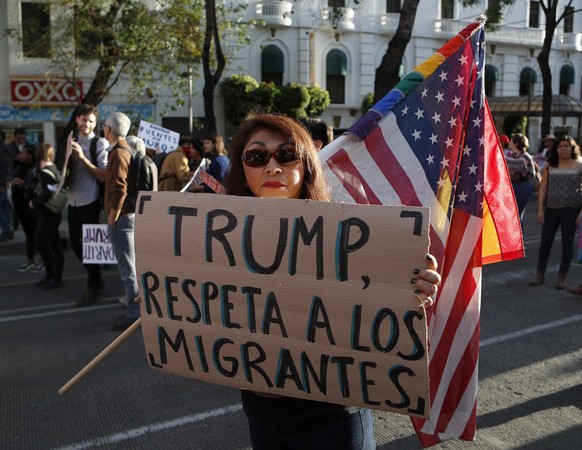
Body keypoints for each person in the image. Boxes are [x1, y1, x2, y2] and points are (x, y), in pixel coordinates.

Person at [224, 113, 440, 450]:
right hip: (261, 410)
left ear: (307, 164)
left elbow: (385, 302)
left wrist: (411, 291)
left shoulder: (346, 234)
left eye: (287, 154)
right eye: (256, 156)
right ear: (243, 168)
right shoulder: (219, 240)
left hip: (332, 416)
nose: (272, 167)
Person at [67, 104, 109, 306]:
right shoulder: (70, 141)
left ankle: (93, 285)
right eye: (84, 120)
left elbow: (103, 176)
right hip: (72, 199)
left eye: (91, 121)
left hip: (89, 201)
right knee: (75, 244)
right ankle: (96, 278)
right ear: (77, 120)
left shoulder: (99, 144)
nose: (86, 124)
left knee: (90, 248)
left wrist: (83, 158)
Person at [103, 113, 140, 331]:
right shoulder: (124, 149)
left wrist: (112, 216)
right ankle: (134, 310)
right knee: (130, 267)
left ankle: (134, 314)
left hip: (122, 217)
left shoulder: (118, 153)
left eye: (104, 126)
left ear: (109, 130)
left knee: (128, 269)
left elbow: (119, 188)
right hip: (127, 216)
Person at [530, 135, 582, 289]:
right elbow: (543, 187)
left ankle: (562, 276)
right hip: (551, 209)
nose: (563, 149)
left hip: (572, 210)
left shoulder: (579, 165)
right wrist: (540, 208)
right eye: (560, 146)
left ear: (572, 148)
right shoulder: (549, 165)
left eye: (566, 146)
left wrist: (581, 213)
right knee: (545, 242)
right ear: (556, 149)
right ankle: (540, 273)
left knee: (567, 243)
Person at [30, 143, 65, 290]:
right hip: (53, 213)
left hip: (47, 214)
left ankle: (55, 278)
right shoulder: (55, 169)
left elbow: (46, 193)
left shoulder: (45, 172)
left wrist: (33, 202)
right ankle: (50, 276)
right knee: (42, 244)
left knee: (52, 246)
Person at [8, 130, 39, 272]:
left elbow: (36, 186)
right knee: (28, 233)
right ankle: (30, 260)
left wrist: (23, 184)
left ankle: (41, 261)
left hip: (30, 204)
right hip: (19, 201)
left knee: (35, 233)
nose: (21, 154)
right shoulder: (17, 164)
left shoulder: (34, 169)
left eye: (25, 153)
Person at [505, 133, 535, 223]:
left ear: (516, 143)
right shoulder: (512, 155)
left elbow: (529, 172)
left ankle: (519, 235)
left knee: (517, 214)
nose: (509, 143)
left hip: (523, 186)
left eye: (511, 141)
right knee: (512, 214)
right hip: (513, 185)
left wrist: (514, 172)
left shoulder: (525, 156)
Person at [0, 129, 15, 242]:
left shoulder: (2, 149)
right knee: (5, 207)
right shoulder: (5, 148)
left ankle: (6, 230)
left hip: (2, 183)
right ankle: (9, 230)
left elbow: (4, 167)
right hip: (5, 182)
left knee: (3, 207)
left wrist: (2, 182)